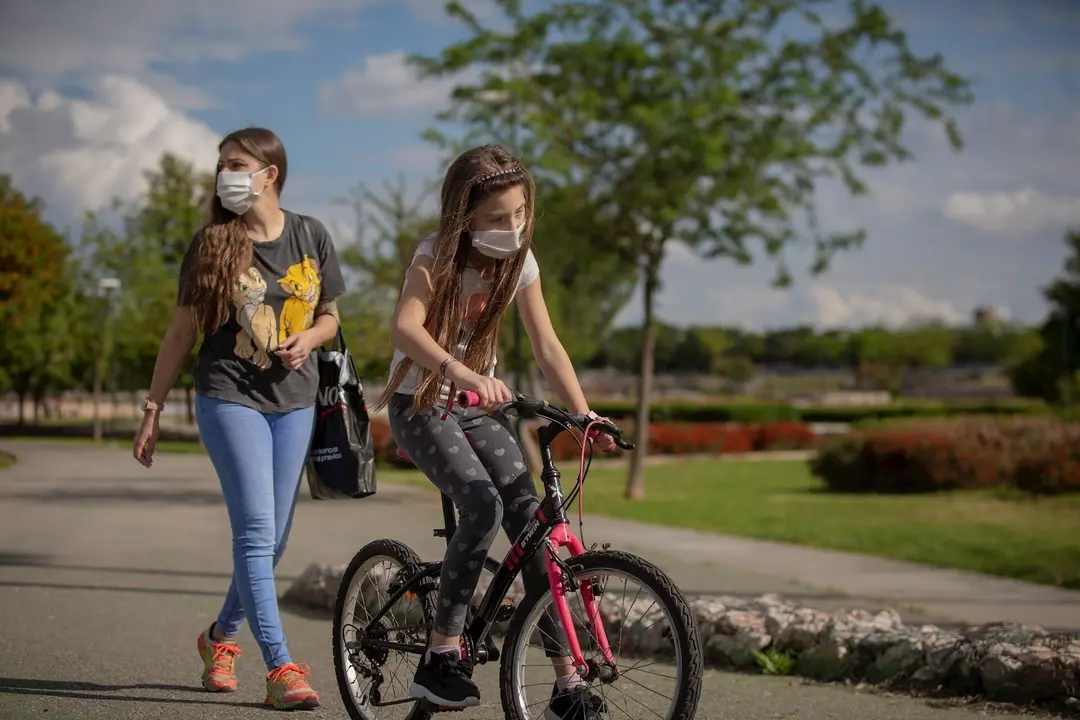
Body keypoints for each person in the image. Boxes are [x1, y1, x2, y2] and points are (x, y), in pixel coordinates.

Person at [373, 144, 614, 719]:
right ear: (464, 216)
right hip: (422, 402)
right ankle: (439, 656)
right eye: (497, 218)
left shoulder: (520, 263)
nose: (512, 228)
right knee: (480, 504)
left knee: (531, 523)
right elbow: (405, 329)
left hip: (478, 405)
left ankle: (565, 689)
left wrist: (585, 417)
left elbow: (547, 345)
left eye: (520, 215)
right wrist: (457, 369)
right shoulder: (435, 256)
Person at [132, 126, 345, 711]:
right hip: (229, 395)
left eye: (236, 162)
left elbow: (330, 316)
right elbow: (182, 332)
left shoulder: (311, 234)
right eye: (222, 164)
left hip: (296, 400)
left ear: (269, 173)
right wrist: (151, 409)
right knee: (255, 530)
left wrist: (309, 339)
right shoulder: (212, 244)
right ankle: (280, 668)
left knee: (273, 539)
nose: (225, 172)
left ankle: (219, 639)